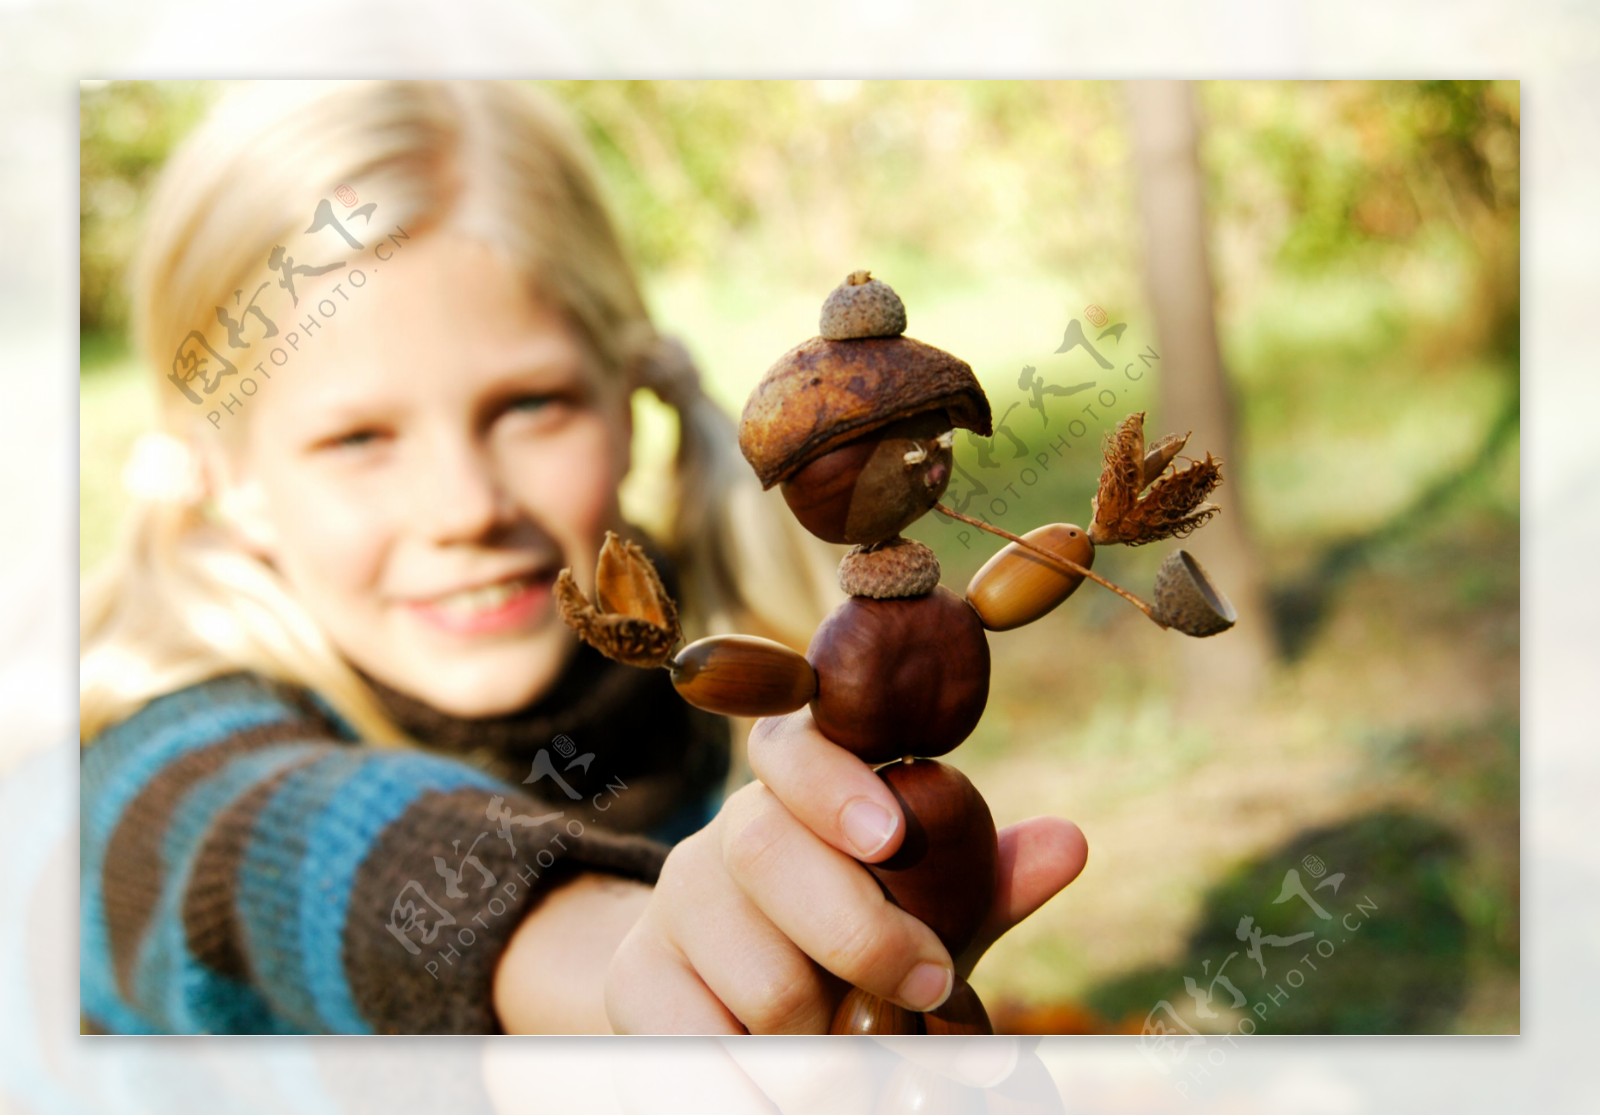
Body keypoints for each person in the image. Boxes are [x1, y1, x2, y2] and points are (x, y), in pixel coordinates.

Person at [80, 79, 1088, 1035]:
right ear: (221, 473)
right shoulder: (154, 768)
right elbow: (281, 853)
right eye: (358, 439)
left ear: (626, 403)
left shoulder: (723, 682)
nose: (467, 508)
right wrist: (614, 961)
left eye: (530, 407)